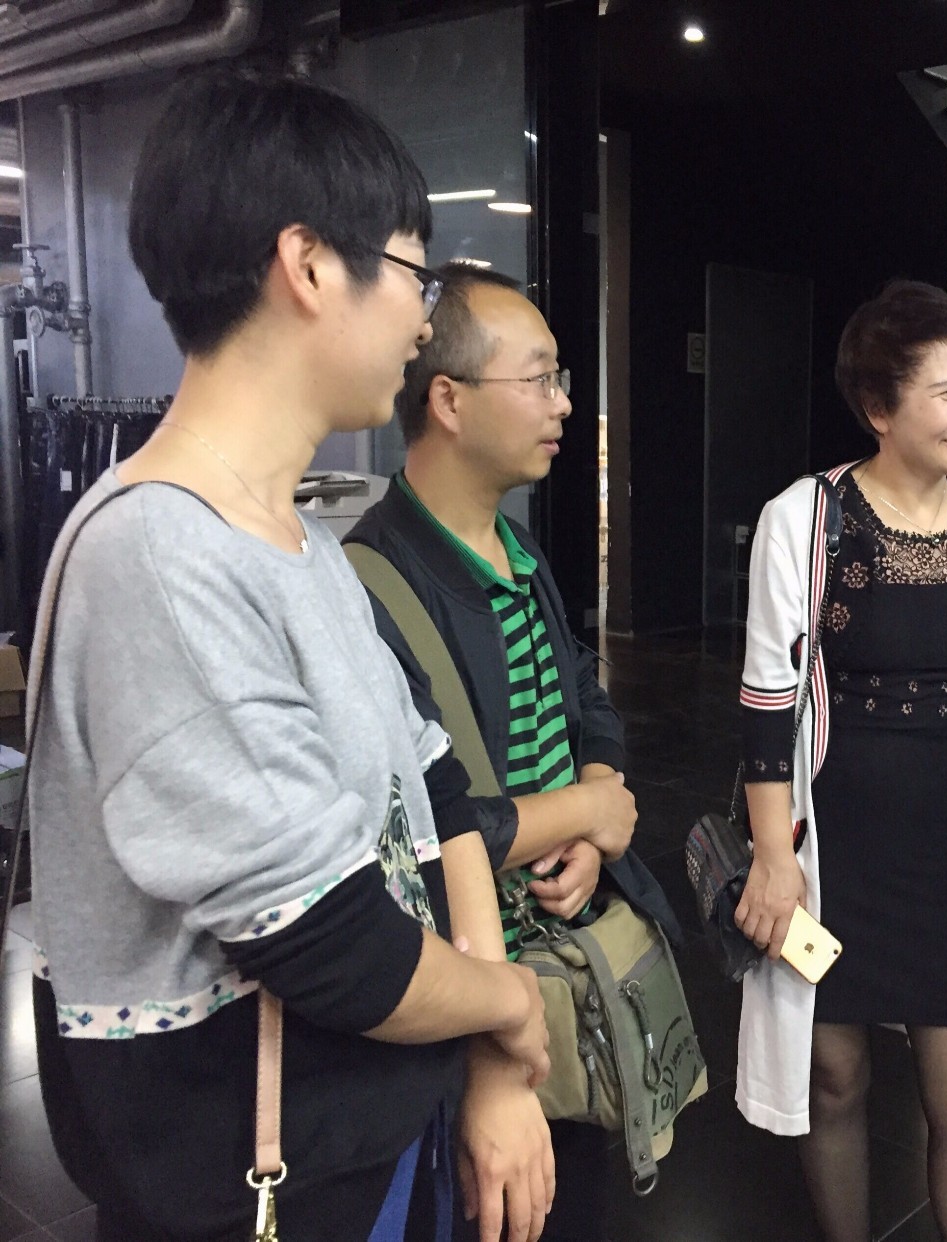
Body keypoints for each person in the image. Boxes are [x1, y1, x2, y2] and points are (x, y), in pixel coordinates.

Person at [26, 70, 559, 1240]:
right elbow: (328, 942)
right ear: (310, 265)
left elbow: (433, 790)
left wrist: (488, 1056)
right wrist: (510, 1002)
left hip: (367, 1131)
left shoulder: (299, 540)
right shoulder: (160, 556)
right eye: (414, 274)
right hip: (261, 1179)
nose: (421, 320)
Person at [347, 262, 678, 1242]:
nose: (564, 404)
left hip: (556, 966)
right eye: (538, 378)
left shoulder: (518, 552)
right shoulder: (372, 585)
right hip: (459, 992)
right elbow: (422, 824)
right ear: (447, 400)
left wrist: (597, 795)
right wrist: (588, 813)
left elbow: (584, 691)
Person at [733, 280, 947, 1242]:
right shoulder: (807, 518)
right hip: (835, 841)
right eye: (946, 392)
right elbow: (766, 704)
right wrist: (774, 857)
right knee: (836, 1077)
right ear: (879, 408)